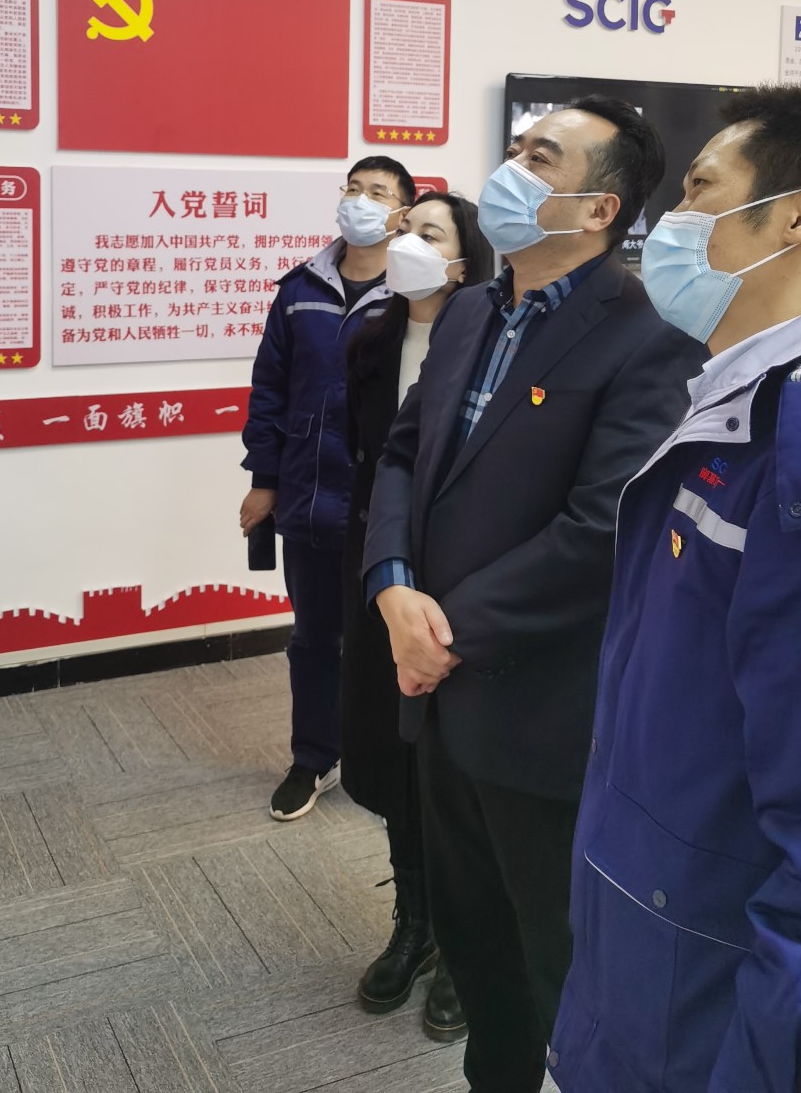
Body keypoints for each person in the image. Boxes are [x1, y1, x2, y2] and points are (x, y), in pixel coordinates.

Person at [550, 85, 801, 1093]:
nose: (671, 219)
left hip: (716, 1012)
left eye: (701, 188)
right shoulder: (753, 399)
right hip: (661, 954)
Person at [362, 97, 707, 1093]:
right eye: (516, 147)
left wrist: (444, 631)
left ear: (599, 209)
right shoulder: (471, 310)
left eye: (541, 156)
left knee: (551, 960)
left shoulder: (650, 334)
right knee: (476, 950)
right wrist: (392, 587)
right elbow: (402, 455)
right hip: (433, 692)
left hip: (537, 713)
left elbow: (602, 527)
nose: (511, 167)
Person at [342, 192, 493, 1041]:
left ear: (464, 263)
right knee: (395, 758)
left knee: (464, 771)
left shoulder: (493, 343)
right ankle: (416, 923)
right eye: (405, 228)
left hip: (463, 587)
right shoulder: (371, 339)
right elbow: (374, 462)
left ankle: (471, 952)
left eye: (427, 233)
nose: (403, 241)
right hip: (383, 574)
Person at [241, 155, 416, 822]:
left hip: (384, 503)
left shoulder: (416, 292)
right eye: (354, 188)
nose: (361, 201)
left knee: (386, 639)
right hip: (310, 499)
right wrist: (264, 481)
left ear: (402, 212)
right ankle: (313, 756)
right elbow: (269, 389)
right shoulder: (299, 289)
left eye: (378, 192)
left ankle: (385, 757)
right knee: (314, 637)